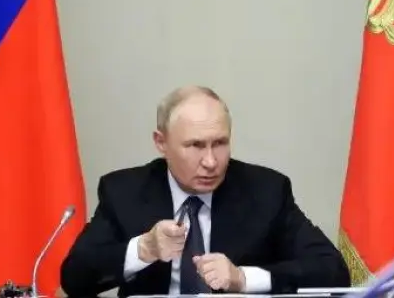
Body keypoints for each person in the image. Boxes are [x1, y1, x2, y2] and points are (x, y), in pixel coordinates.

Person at [59, 86, 349, 297]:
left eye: (220, 143)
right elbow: (75, 278)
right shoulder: (124, 192)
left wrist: (242, 278)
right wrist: (143, 249)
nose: (211, 162)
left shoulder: (266, 191)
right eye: (195, 145)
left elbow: (332, 271)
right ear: (161, 143)